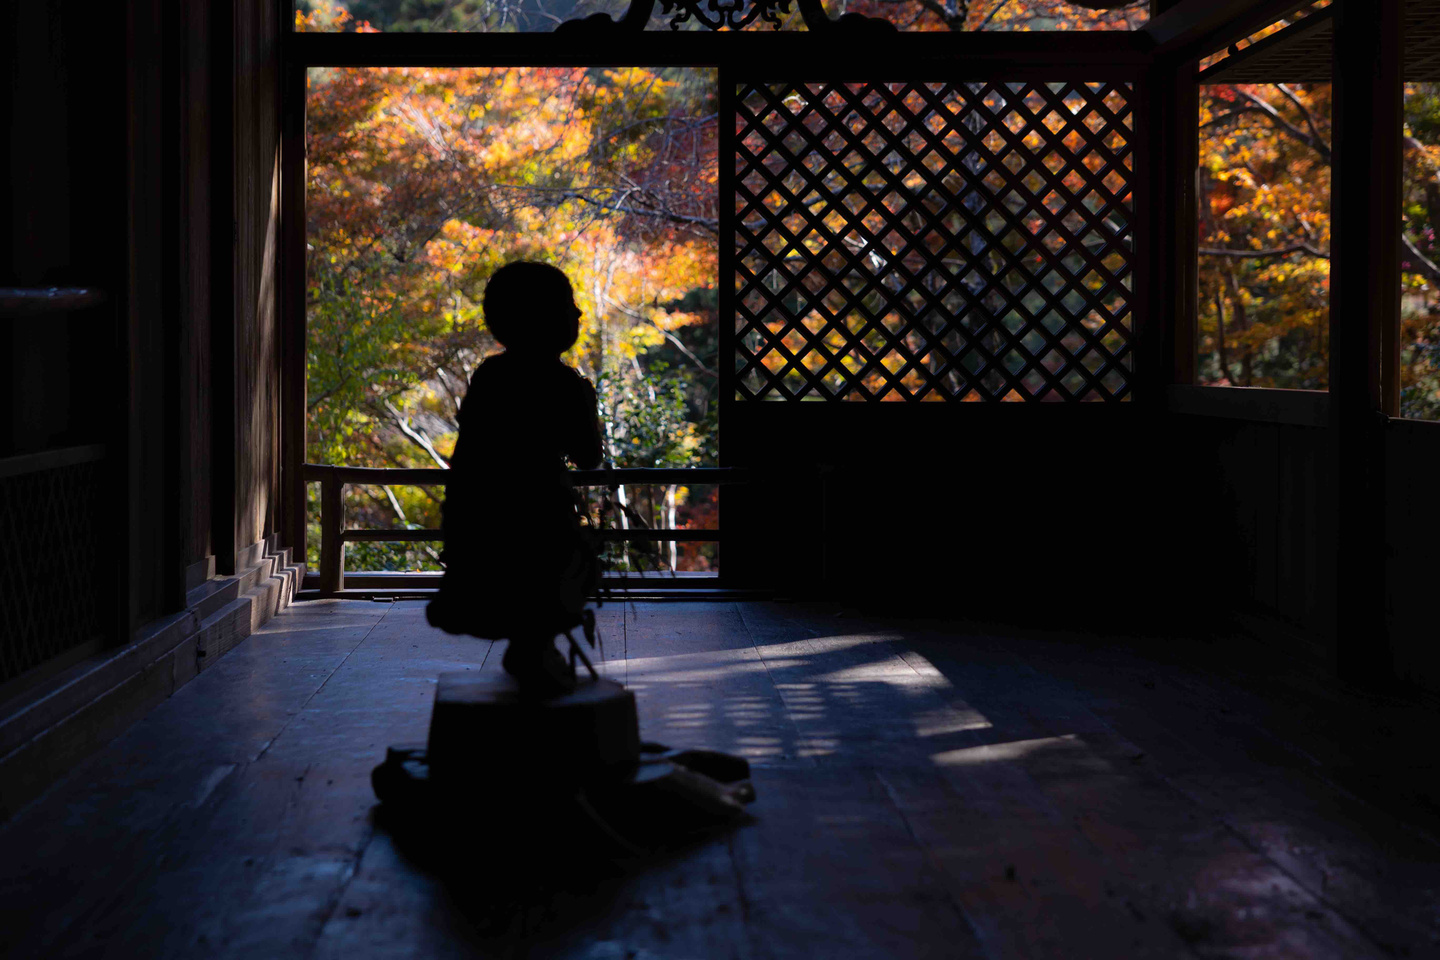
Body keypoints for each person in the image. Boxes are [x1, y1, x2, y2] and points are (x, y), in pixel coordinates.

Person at [426, 261, 604, 696]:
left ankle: (532, 652)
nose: (579, 315)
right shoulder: (564, 383)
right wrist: (586, 402)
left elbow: (466, 455)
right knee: (550, 585)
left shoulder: (491, 376)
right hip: (543, 514)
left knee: (511, 591)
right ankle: (537, 651)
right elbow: (589, 458)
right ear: (545, 317)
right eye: (569, 305)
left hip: (486, 513)